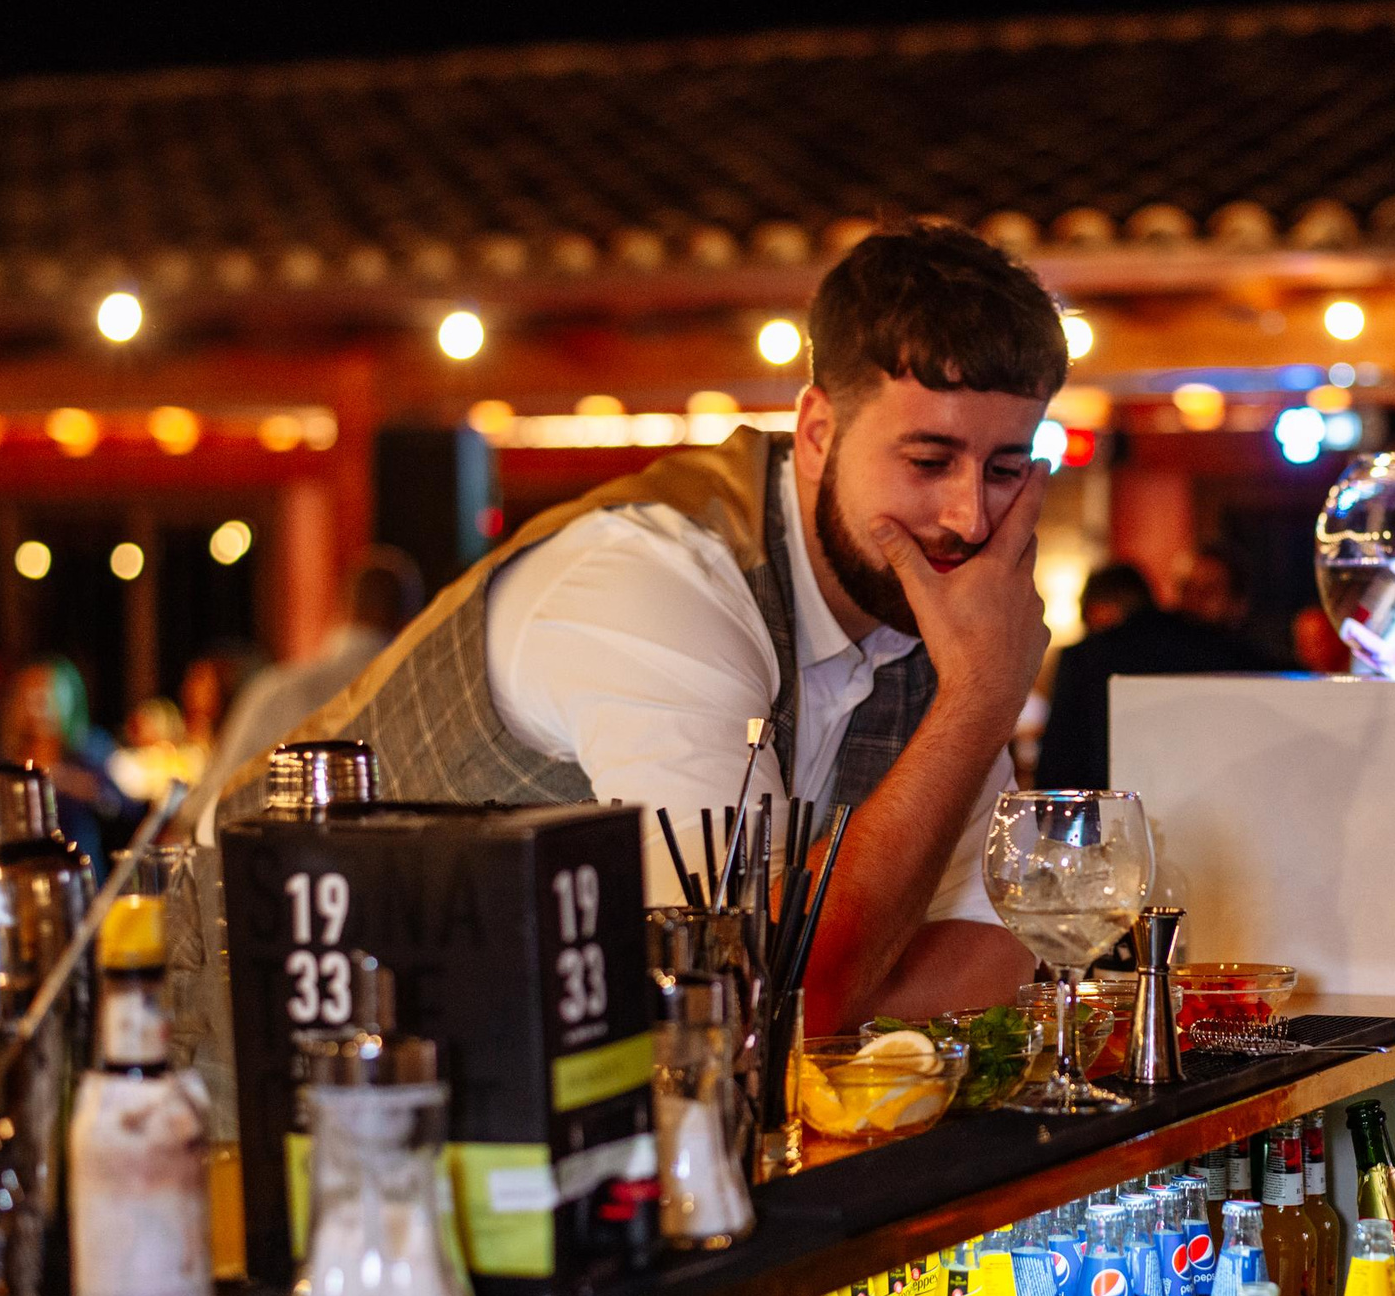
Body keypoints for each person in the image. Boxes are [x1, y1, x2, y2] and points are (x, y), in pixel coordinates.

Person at [221, 220, 1061, 1033]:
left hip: (537, 1116)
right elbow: (759, 987)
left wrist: (816, 991)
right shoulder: (659, 581)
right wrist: (981, 698)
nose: (971, 517)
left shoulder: (930, 608)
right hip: (249, 1058)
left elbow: (999, 953)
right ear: (815, 432)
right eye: (928, 462)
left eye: (1005, 469)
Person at [190, 550, 425, 838]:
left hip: (269, 868)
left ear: (340, 613)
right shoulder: (418, 696)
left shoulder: (274, 691)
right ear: (408, 621)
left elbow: (205, 806)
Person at [1033, 558, 1272, 790]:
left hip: (1105, 816)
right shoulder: (1229, 654)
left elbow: (1056, 768)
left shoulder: (1086, 656)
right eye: (1187, 588)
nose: (1193, 599)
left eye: (1208, 590)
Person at [0, 656, 138, 875]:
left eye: (46, 694)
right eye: (29, 694)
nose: (36, 705)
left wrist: (77, 785)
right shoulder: (3, 762)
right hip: (21, 876)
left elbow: (125, 811)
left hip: (82, 876)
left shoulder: (90, 751)